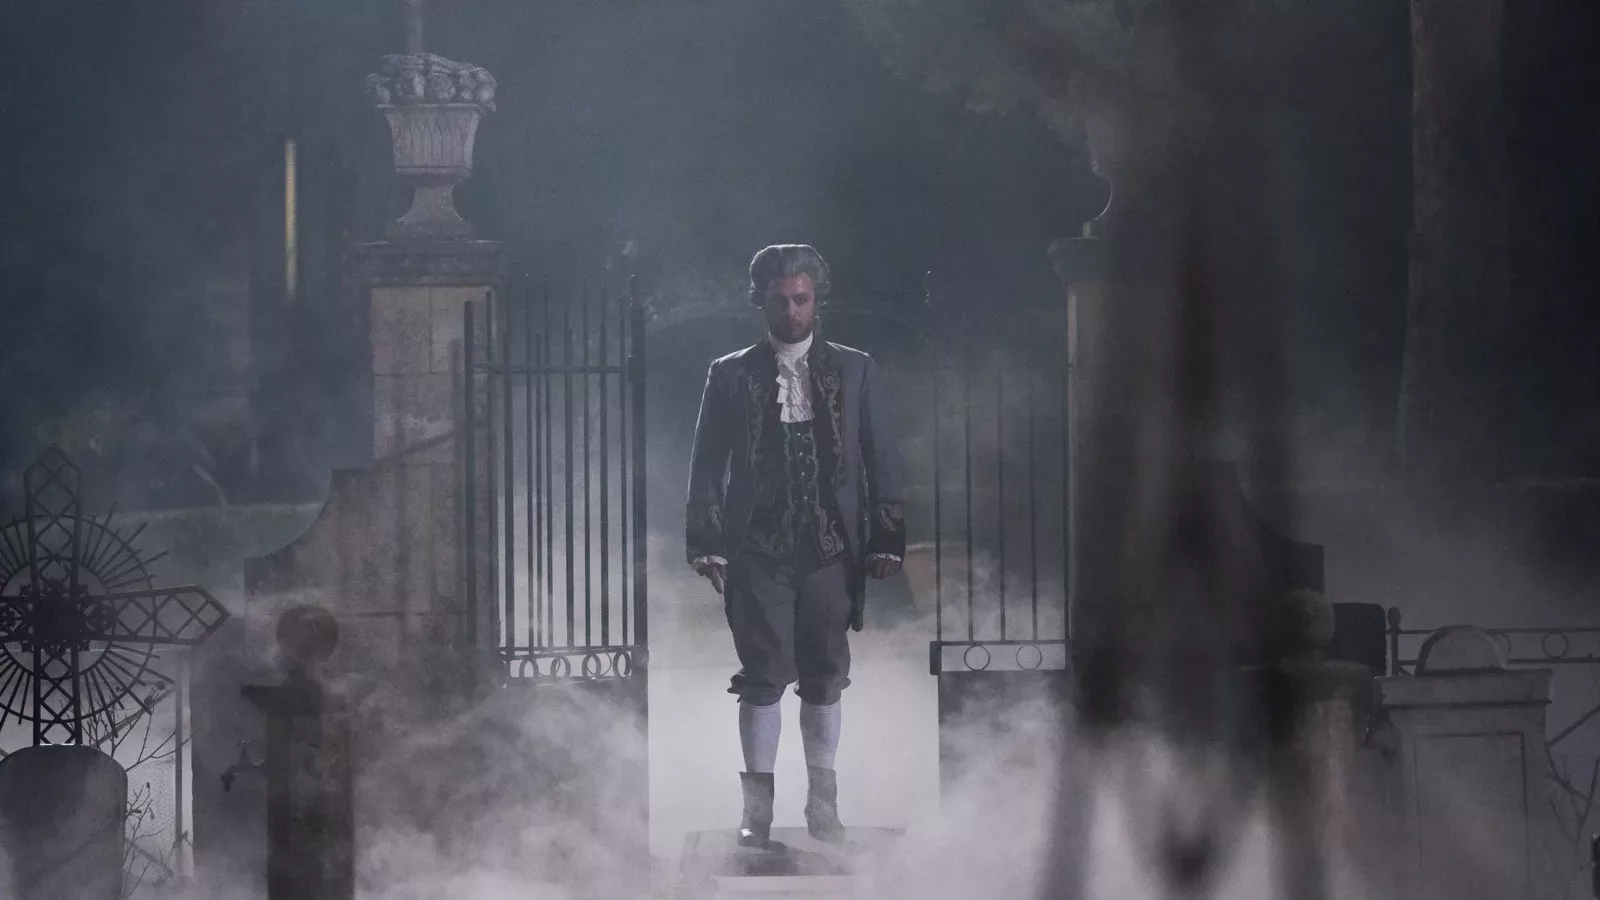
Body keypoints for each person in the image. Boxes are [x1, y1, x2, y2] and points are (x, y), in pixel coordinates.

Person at [685, 244, 905, 847]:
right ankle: (756, 813)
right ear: (761, 302)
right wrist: (707, 544)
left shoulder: (855, 369)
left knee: (825, 676)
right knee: (762, 675)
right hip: (758, 548)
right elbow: (707, 462)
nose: (791, 310)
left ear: (816, 301)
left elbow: (881, 457)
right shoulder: (730, 372)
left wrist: (886, 537)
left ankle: (823, 807)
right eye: (780, 300)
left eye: (801, 299)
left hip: (831, 549)